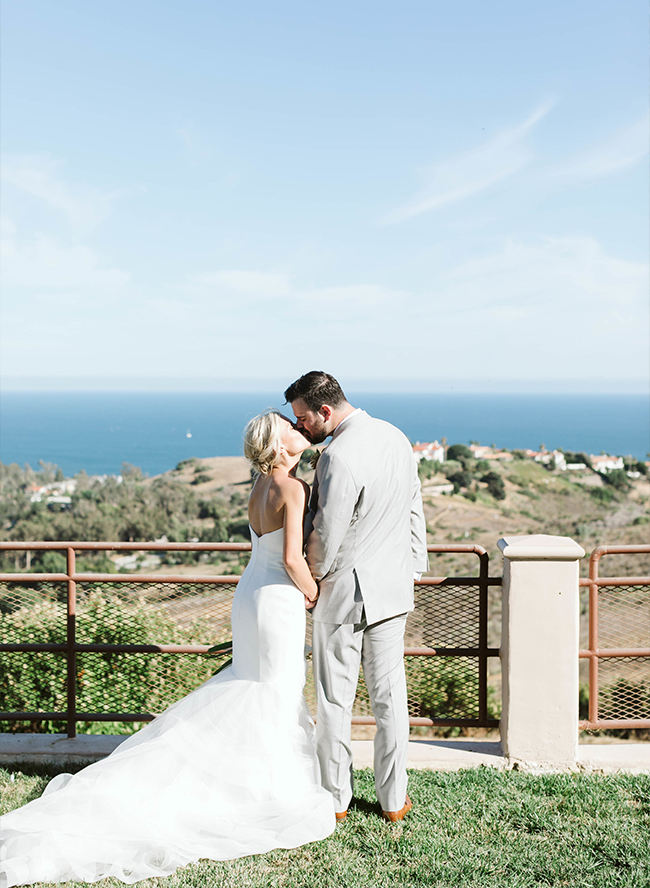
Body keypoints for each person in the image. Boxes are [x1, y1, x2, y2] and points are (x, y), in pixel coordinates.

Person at [0, 411, 335, 886]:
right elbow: (291, 558)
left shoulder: (257, 489)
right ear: (278, 444)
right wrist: (317, 594)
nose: (297, 431)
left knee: (252, 686)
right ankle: (266, 792)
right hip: (277, 597)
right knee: (275, 691)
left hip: (249, 595)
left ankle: (251, 784)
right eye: (289, 427)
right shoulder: (293, 489)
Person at [285, 371, 429, 823]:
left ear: (325, 411)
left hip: (343, 594)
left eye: (304, 418)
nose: (302, 428)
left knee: (334, 699)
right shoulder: (396, 436)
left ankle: (336, 797)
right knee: (390, 698)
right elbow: (413, 505)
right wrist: (415, 566)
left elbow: (326, 533)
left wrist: (311, 581)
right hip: (393, 589)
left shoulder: (338, 457)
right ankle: (393, 799)